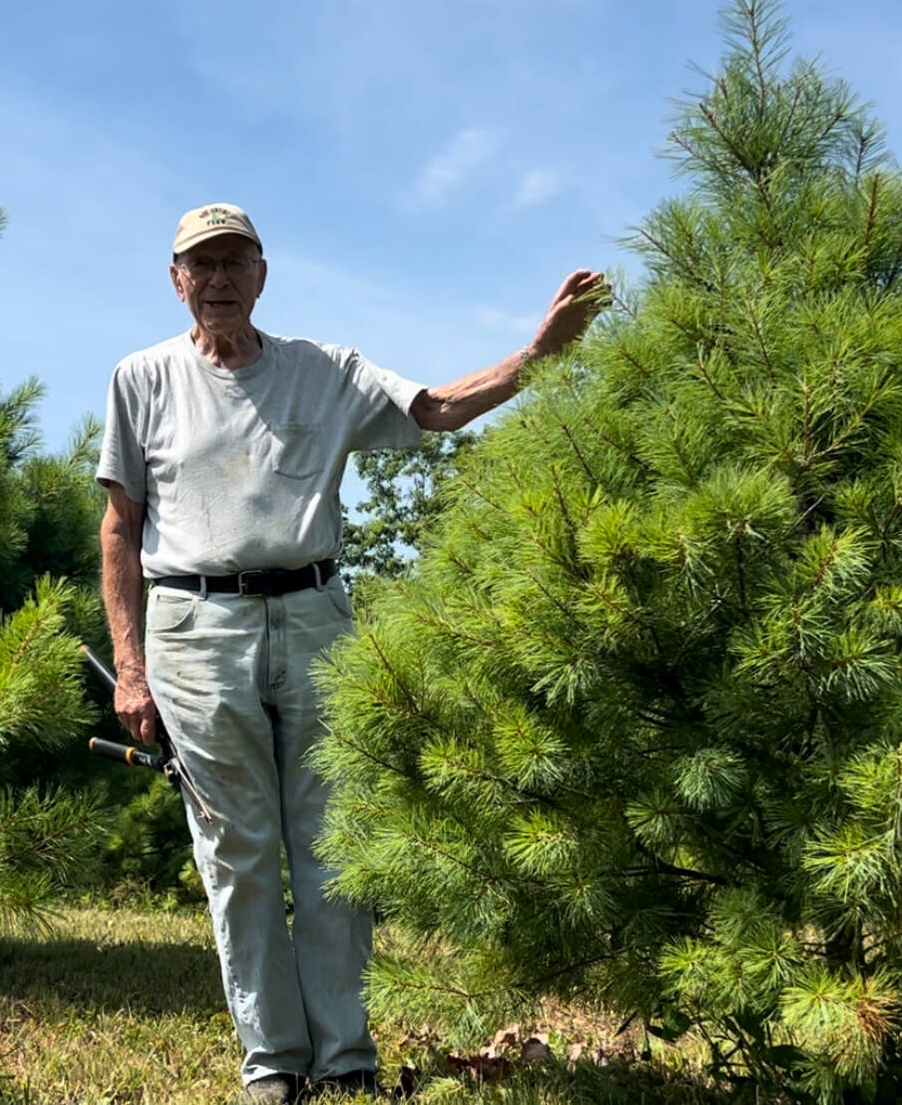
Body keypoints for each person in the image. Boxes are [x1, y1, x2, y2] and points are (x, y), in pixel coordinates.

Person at [96, 203, 603, 1103]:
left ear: (262, 273)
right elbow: (119, 529)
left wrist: (541, 353)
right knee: (237, 854)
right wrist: (130, 670)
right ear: (175, 280)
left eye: (231, 261)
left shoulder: (326, 370)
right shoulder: (141, 380)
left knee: (334, 845)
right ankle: (272, 1066)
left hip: (317, 621)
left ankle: (345, 1057)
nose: (215, 280)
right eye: (197, 265)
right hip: (194, 631)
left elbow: (439, 410)